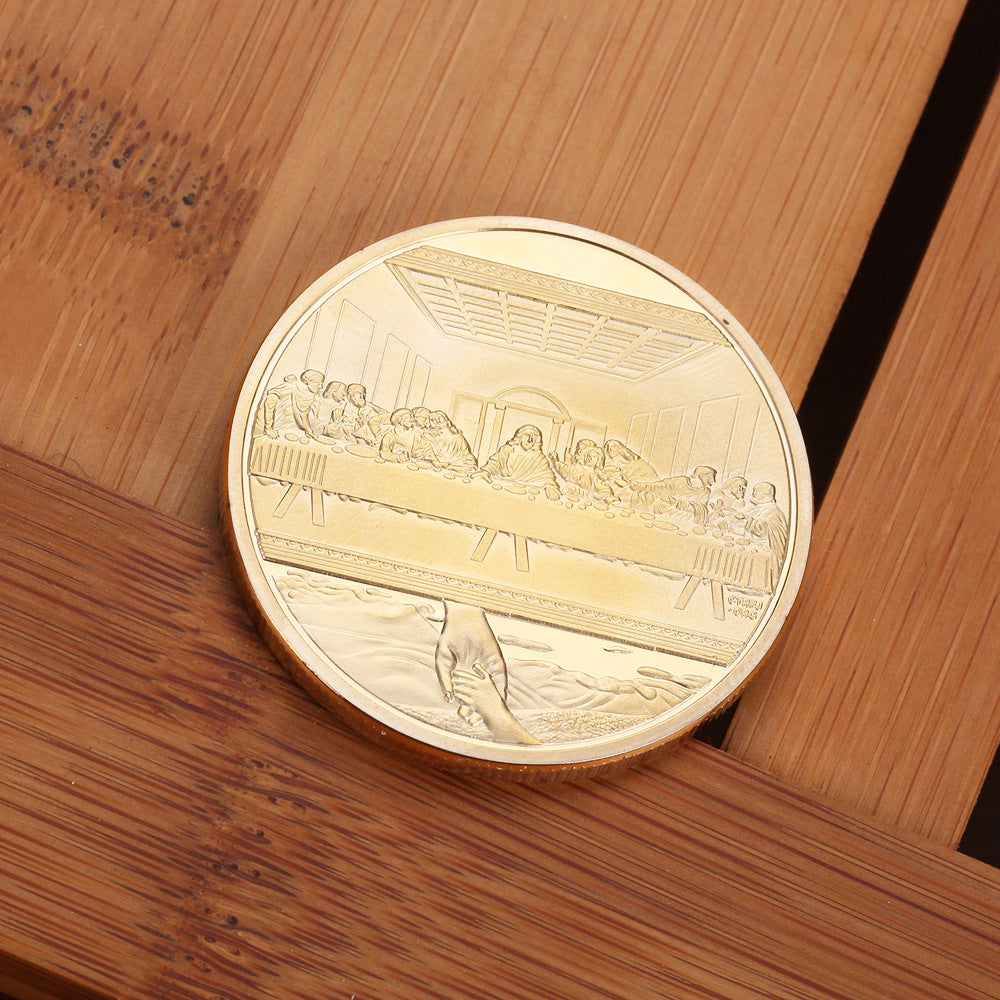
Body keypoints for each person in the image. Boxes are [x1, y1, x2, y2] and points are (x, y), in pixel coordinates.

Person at [479, 425, 561, 498]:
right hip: (498, 494)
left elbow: (546, 476)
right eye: (527, 436)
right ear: (520, 436)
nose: (530, 440)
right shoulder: (506, 451)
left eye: (534, 438)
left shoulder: (539, 458)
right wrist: (486, 472)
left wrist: (550, 486)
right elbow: (494, 463)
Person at [744, 481, 789, 591]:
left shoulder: (773, 511)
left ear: (766, 494)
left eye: (757, 491)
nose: (753, 494)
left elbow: (762, 530)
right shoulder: (763, 509)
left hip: (769, 554)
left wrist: (746, 520)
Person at [258, 370, 325, 438]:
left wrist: (309, 430)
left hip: (287, 430)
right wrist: (268, 428)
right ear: (309, 382)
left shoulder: (309, 396)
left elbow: (303, 415)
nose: (321, 387)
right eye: (318, 384)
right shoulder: (290, 387)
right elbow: (271, 400)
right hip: (273, 427)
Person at [551, 438, 615, 501]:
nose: (578, 452)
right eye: (577, 449)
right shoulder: (580, 467)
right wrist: (567, 461)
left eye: (582, 449)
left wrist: (556, 462)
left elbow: (568, 473)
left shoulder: (588, 470)